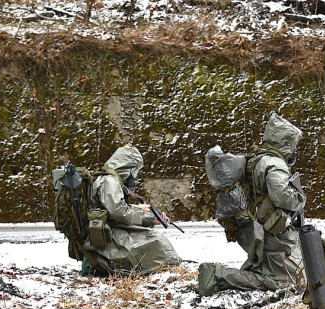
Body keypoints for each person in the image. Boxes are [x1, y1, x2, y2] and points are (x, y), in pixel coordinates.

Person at [198, 112, 306, 295]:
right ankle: (217, 275)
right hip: (272, 233)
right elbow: (282, 196)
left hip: (256, 229)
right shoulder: (274, 163)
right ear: (285, 143)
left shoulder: (254, 159)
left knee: (280, 270)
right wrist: (300, 199)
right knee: (287, 282)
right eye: (293, 145)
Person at [82, 144, 182, 275]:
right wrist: (144, 215)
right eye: (135, 171)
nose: (135, 177)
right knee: (156, 240)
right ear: (128, 167)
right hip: (106, 235)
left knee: (152, 238)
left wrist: (149, 214)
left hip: (106, 229)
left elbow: (114, 208)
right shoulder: (109, 181)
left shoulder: (109, 178)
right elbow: (118, 211)